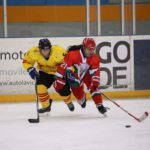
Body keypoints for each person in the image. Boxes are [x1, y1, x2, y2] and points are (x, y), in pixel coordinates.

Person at [54, 37, 107, 114]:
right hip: (75, 75)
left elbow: (95, 73)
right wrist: (59, 78)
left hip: (86, 74)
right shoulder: (72, 55)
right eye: (89, 49)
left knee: (94, 85)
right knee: (80, 98)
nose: (92, 52)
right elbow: (63, 67)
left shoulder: (95, 58)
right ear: (84, 47)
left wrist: (95, 82)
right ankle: (82, 99)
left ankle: (99, 105)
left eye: (93, 49)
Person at [22, 38, 74, 113]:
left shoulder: (59, 51)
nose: (46, 51)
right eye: (43, 50)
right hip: (45, 72)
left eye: (47, 49)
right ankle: (46, 106)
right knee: (40, 87)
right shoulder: (33, 52)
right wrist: (30, 69)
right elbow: (26, 61)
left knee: (63, 90)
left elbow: (69, 62)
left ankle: (68, 102)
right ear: (39, 49)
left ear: (50, 47)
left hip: (59, 73)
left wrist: (69, 73)